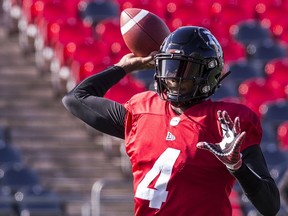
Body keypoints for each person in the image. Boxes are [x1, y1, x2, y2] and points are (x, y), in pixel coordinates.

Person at [62, 26, 280, 216]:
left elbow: (270, 206)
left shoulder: (226, 122)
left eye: (186, 69)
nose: (174, 77)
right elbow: (75, 99)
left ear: (208, 74)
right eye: (171, 67)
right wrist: (124, 67)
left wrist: (237, 166)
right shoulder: (142, 113)